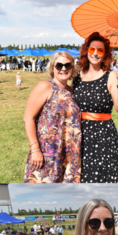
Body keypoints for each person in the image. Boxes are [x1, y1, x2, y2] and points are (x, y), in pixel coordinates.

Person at [74, 32, 118, 183]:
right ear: (86, 51)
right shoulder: (77, 78)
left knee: (101, 177)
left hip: (103, 136)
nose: (96, 53)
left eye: (100, 50)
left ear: (105, 54)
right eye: (92, 49)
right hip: (79, 135)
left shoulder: (110, 76)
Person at [23, 50, 81, 183]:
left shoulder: (72, 91)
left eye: (68, 65)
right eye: (59, 65)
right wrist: (35, 148)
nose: (64, 69)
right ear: (52, 67)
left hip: (70, 155)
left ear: (73, 68)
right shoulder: (45, 86)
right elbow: (28, 118)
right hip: (47, 153)